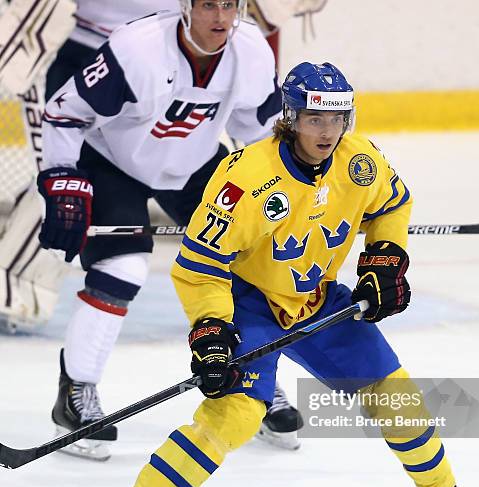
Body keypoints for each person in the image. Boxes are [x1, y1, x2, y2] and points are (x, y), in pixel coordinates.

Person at [98, 61, 479, 487]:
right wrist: (213, 331)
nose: (327, 131)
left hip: (317, 299)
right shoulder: (245, 180)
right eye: (315, 119)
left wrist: (384, 258)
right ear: (290, 117)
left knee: (393, 394)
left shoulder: (361, 162)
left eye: (337, 119)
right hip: (251, 303)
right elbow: (200, 267)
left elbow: (393, 203)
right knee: (236, 413)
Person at [37, 0, 301, 462]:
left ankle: (251, 378)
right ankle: (75, 393)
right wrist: (62, 178)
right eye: (207, 5)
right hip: (111, 160)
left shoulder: (252, 51)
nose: (220, 17)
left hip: (193, 162)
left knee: (248, 261)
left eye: (230, 5)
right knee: (123, 267)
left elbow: (260, 133)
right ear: (185, 8)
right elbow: (64, 110)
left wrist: (290, 191)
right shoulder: (136, 49)